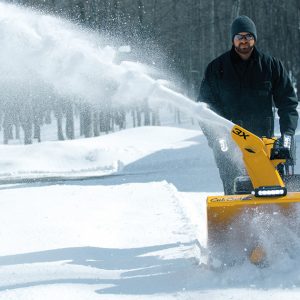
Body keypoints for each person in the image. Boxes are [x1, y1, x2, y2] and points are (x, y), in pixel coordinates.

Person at [198, 15, 298, 195]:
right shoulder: (217, 68)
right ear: (233, 39)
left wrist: (287, 136)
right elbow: (205, 108)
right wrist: (216, 138)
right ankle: (238, 223)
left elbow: (288, 103)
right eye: (239, 36)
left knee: (272, 190)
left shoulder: (271, 66)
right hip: (230, 146)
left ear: (255, 38)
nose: (244, 41)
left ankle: (277, 223)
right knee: (237, 192)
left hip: (265, 144)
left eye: (248, 36)